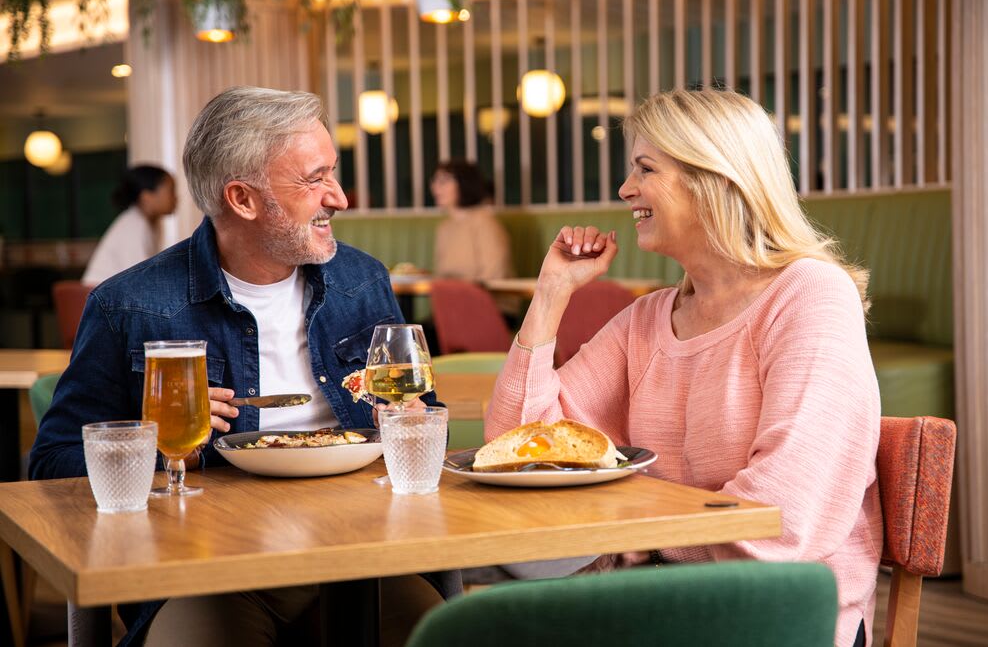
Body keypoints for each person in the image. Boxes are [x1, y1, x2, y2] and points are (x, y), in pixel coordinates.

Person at [30, 86, 459, 646]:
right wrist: (148, 442)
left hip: (361, 552)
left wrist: (411, 417)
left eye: (334, 172)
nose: (340, 197)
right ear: (242, 198)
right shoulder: (128, 305)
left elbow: (422, 414)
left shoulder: (362, 281)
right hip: (206, 569)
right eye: (314, 179)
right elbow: (49, 468)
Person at [484, 89, 881, 647]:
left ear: (713, 176)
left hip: (776, 618)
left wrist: (654, 540)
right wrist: (549, 295)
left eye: (645, 169)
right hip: (660, 599)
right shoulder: (648, 319)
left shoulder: (810, 296)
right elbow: (518, 448)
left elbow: (786, 517)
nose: (625, 190)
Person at [82, 164, 178, 285]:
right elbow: (142, 279)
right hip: (100, 299)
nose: (176, 197)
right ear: (146, 196)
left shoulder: (152, 223)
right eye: (171, 190)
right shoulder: (135, 225)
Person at [430, 160, 513, 283]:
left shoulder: (485, 223)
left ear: (464, 183)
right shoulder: (444, 228)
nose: (435, 187)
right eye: (434, 181)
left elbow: (495, 273)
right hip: (452, 296)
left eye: (444, 181)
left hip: (485, 298)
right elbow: (442, 275)